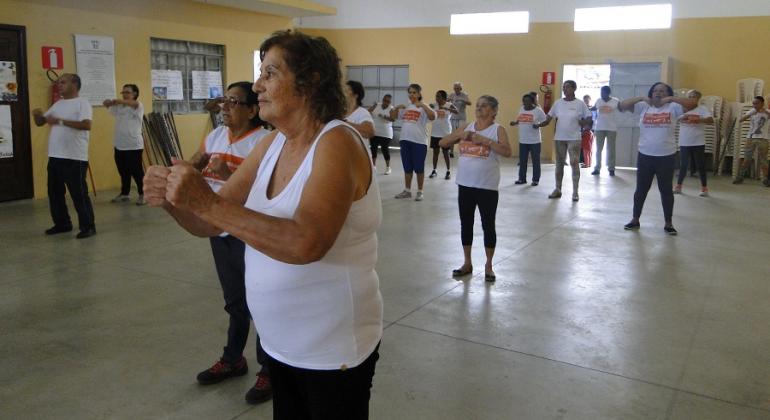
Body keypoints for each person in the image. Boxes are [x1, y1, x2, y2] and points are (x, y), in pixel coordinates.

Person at [143, 30, 383, 419]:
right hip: (280, 346)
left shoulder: (336, 142)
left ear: (310, 80)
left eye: (270, 73)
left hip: (332, 352)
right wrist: (174, 200)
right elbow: (210, 222)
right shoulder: (272, 145)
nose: (257, 86)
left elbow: (306, 243)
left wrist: (204, 200)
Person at [185, 81, 273, 404]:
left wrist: (228, 176)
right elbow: (195, 161)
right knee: (235, 301)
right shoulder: (215, 137)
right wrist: (179, 171)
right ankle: (234, 358)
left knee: (260, 303)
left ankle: (269, 369)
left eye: (234, 102)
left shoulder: (264, 142)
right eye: (225, 101)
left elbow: (269, 193)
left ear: (252, 110)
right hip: (218, 230)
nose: (225, 107)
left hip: (249, 232)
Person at [439, 95, 512, 282]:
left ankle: (488, 265)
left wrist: (484, 140)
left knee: (488, 225)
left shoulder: (498, 130)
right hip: (464, 184)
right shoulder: (467, 126)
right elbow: (443, 143)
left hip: (486, 186)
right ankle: (467, 262)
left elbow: (507, 152)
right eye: (478, 105)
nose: (479, 108)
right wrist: (458, 135)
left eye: (484, 106)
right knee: (466, 223)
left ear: (494, 111)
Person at [619, 82, 697, 235]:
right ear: (651, 93)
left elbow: (693, 104)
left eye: (662, 91)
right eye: (655, 91)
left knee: (666, 190)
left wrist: (671, 99)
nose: (658, 93)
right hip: (645, 155)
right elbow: (622, 105)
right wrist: (642, 97)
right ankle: (635, 219)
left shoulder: (673, 107)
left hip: (666, 156)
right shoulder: (643, 107)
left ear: (668, 93)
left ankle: (668, 223)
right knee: (641, 189)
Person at [32, 73, 96, 239]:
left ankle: (88, 226)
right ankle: (62, 224)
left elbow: (86, 125)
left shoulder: (83, 103)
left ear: (74, 84)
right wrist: (37, 115)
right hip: (55, 156)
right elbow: (41, 122)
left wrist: (60, 121)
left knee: (79, 194)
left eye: (63, 82)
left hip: (75, 158)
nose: (59, 85)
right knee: (54, 193)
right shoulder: (58, 104)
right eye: (59, 83)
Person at [539, 80, 592, 202]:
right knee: (559, 164)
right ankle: (557, 189)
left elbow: (589, 118)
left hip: (574, 138)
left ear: (574, 89)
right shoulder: (558, 103)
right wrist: (539, 124)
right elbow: (548, 118)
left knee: (574, 163)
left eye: (567, 87)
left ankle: (575, 192)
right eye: (563, 87)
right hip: (559, 138)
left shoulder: (580, 104)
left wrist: (584, 123)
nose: (564, 89)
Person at [391, 83, 436, 201]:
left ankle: (420, 191)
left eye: (414, 92)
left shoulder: (423, 107)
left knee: (419, 168)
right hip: (405, 140)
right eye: (410, 92)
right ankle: (407, 190)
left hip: (419, 142)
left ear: (419, 94)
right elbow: (393, 117)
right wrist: (396, 108)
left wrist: (423, 105)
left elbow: (432, 117)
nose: (411, 95)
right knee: (407, 167)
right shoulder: (406, 107)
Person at [104, 84, 146, 205]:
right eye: (123, 92)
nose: (124, 94)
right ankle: (125, 193)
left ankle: (143, 194)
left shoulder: (138, 105)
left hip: (133, 145)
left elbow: (134, 104)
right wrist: (107, 103)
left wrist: (118, 100)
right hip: (119, 144)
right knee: (123, 171)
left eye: (127, 92)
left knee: (136, 171)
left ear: (134, 94)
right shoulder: (120, 107)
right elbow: (109, 107)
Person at [674, 89, 713, 196]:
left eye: (695, 96)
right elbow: (677, 119)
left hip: (698, 141)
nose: (692, 98)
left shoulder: (702, 109)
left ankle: (704, 188)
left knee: (700, 165)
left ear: (698, 99)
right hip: (684, 141)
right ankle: (678, 186)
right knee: (683, 165)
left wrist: (699, 119)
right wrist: (685, 116)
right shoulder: (681, 108)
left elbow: (711, 120)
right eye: (690, 96)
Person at [510, 93, 546, 186]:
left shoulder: (538, 111)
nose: (526, 103)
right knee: (522, 161)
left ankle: (535, 180)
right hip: (523, 140)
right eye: (524, 101)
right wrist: (515, 123)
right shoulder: (521, 109)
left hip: (535, 141)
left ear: (532, 102)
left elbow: (545, 121)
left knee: (535, 161)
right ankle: (522, 179)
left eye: (528, 101)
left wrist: (538, 125)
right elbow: (520, 119)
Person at [733, 96, 770, 186]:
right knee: (747, 158)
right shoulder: (752, 111)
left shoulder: (768, 112)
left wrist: (764, 111)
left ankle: (766, 179)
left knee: (763, 160)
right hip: (751, 138)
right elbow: (741, 120)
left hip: (763, 139)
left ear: (762, 103)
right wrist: (750, 114)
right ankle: (740, 177)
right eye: (753, 103)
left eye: (756, 103)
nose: (755, 105)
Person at [429, 90, 457, 180]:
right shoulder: (434, 105)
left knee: (446, 153)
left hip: (445, 133)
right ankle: (434, 170)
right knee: (435, 153)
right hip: (435, 132)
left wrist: (447, 109)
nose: (436, 98)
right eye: (436, 96)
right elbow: (428, 108)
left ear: (444, 98)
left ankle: (448, 171)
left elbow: (457, 111)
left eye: (438, 96)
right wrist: (429, 107)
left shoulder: (449, 105)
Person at [592, 86, 620, 176]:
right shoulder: (599, 100)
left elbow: (622, 109)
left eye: (603, 93)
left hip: (612, 128)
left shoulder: (616, 101)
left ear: (608, 93)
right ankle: (597, 168)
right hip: (599, 128)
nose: (601, 94)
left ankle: (611, 169)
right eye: (601, 92)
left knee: (611, 149)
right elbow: (593, 108)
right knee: (598, 149)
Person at [367, 94, 395, 174]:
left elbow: (393, 119)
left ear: (390, 102)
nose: (386, 103)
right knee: (373, 149)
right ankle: (374, 166)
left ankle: (388, 167)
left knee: (385, 149)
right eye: (385, 100)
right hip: (375, 132)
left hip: (386, 133)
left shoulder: (391, 109)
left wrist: (384, 116)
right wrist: (373, 106)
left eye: (388, 101)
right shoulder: (377, 105)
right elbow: (367, 112)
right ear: (382, 100)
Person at [448, 82, 471, 158]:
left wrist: (462, 100)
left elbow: (469, 103)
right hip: (453, 117)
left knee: (461, 135)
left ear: (461, 88)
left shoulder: (464, 95)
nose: (456, 90)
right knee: (453, 135)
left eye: (458, 88)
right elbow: (446, 101)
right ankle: (451, 151)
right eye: (455, 88)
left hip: (461, 117)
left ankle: (462, 151)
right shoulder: (452, 94)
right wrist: (449, 99)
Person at [580, 94, 595, 168]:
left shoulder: (592, 109)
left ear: (589, 100)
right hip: (584, 129)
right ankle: (585, 162)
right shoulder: (582, 109)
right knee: (584, 147)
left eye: (587, 100)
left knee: (587, 148)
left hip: (589, 130)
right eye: (584, 100)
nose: (586, 101)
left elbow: (593, 119)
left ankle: (587, 163)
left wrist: (588, 127)